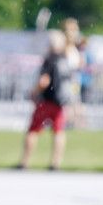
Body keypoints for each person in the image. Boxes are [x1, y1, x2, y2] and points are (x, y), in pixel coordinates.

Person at [17, 30, 75, 170]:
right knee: (58, 131)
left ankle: (24, 162)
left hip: (46, 101)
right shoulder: (65, 60)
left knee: (33, 130)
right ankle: (55, 163)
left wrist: (34, 92)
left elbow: (44, 81)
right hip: (60, 101)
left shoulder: (49, 59)